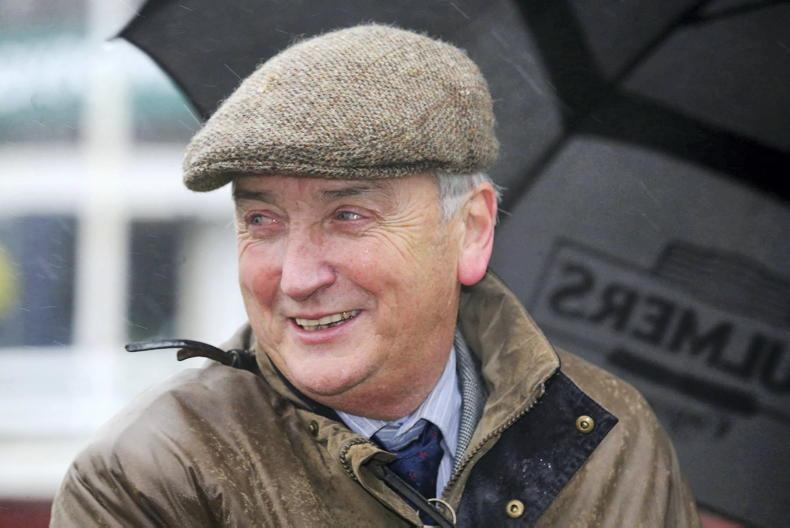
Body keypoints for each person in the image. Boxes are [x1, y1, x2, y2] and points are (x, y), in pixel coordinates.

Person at [51, 24, 700, 527]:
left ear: (472, 230)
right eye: (262, 221)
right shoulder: (151, 480)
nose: (297, 278)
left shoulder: (615, 440)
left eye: (348, 216)